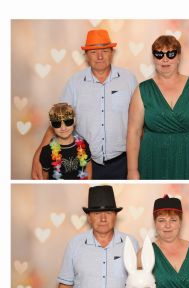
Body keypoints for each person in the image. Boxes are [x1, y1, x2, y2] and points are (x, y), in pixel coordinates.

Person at [32, 29, 137, 180]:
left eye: (105, 51)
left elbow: (139, 121)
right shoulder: (74, 83)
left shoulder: (128, 79)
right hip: (84, 163)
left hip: (123, 162)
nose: (100, 56)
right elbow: (60, 117)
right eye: (93, 52)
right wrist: (39, 153)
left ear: (112, 52)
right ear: (86, 55)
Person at [126, 35, 189, 180]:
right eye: (159, 54)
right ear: (154, 58)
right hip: (152, 159)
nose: (165, 59)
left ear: (179, 57)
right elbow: (134, 132)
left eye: (170, 54)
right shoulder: (142, 90)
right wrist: (132, 170)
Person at [57, 186, 138, 288]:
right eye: (96, 213)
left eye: (108, 212)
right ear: (89, 217)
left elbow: (138, 285)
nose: (103, 218)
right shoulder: (74, 245)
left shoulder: (131, 243)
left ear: (115, 215)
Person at [39, 103, 92, 180]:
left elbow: (88, 167)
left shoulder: (83, 145)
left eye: (68, 122)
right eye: (57, 123)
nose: (63, 128)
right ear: (51, 125)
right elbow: (45, 178)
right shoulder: (47, 151)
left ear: (74, 121)